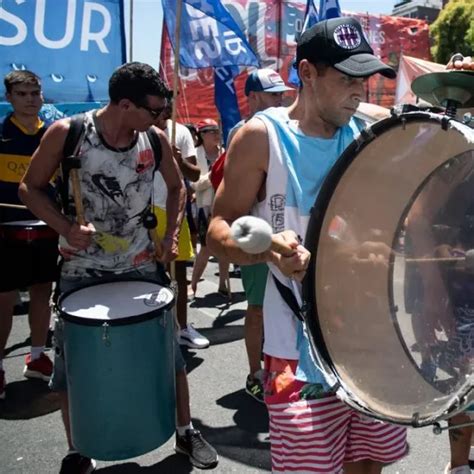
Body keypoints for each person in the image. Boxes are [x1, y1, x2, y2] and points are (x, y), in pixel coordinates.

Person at [208, 17, 408, 473]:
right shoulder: (262, 138)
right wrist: (264, 250)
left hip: (371, 339)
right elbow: (219, 229)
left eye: (365, 78)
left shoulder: (369, 135)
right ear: (308, 73)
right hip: (295, 350)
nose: (359, 90)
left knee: (368, 463)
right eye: (346, 78)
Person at [19, 62, 217, 472]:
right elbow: (30, 188)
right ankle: (78, 449)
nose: (159, 117)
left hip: (142, 263)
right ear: (125, 104)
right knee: (73, 363)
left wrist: (167, 237)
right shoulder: (69, 135)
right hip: (82, 266)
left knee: (170, 354)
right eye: (153, 110)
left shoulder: (154, 140)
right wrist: (66, 227)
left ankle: (184, 431)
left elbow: (178, 187)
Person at [227, 69, 293, 402]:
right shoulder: (246, 133)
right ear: (252, 98)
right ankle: (255, 373)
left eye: (281, 93)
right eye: (272, 94)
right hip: (257, 237)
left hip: (286, 236)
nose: (280, 98)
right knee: (256, 309)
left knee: (285, 306)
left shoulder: (285, 129)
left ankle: (279, 372)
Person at [0, 70, 57, 399]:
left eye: (35, 93)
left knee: (41, 294)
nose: (30, 99)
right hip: (6, 234)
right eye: (22, 94)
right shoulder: (2, 133)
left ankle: (37, 357)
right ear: (9, 97)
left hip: (44, 230)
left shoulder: (52, 135)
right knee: (4, 302)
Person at [153, 102, 210, 349]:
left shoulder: (181, 132)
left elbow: (195, 174)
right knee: (153, 271)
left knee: (178, 271)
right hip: (147, 207)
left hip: (174, 207)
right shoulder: (140, 130)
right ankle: (155, 327)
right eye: (157, 110)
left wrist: (177, 160)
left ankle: (182, 327)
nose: (162, 115)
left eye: (166, 110)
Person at [190, 119, 230, 298]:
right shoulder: (195, 154)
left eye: (216, 130)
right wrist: (212, 173)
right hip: (205, 208)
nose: (216, 133)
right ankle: (193, 283)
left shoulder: (224, 152)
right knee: (205, 248)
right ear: (202, 135)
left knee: (224, 246)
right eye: (211, 131)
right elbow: (194, 183)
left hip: (223, 205)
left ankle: (223, 284)